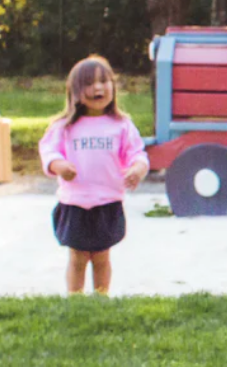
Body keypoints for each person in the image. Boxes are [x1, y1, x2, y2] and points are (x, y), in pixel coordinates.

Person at [38, 55, 148, 295]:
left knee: (101, 256)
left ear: (113, 87)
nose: (98, 87)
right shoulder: (64, 126)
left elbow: (137, 153)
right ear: (75, 92)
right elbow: (48, 150)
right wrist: (59, 166)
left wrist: (137, 170)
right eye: (89, 83)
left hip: (107, 201)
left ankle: (101, 298)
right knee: (78, 257)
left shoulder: (121, 125)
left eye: (104, 81)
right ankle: (75, 300)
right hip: (75, 202)